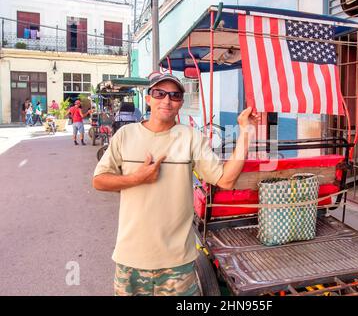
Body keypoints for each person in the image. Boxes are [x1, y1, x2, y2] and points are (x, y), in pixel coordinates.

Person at [92, 73, 260, 296]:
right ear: (149, 98)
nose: (167, 100)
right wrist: (138, 178)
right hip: (130, 259)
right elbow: (99, 180)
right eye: (159, 93)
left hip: (177, 263)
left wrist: (246, 131)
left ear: (181, 103)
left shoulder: (190, 137)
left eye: (175, 95)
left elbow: (225, 180)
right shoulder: (125, 135)